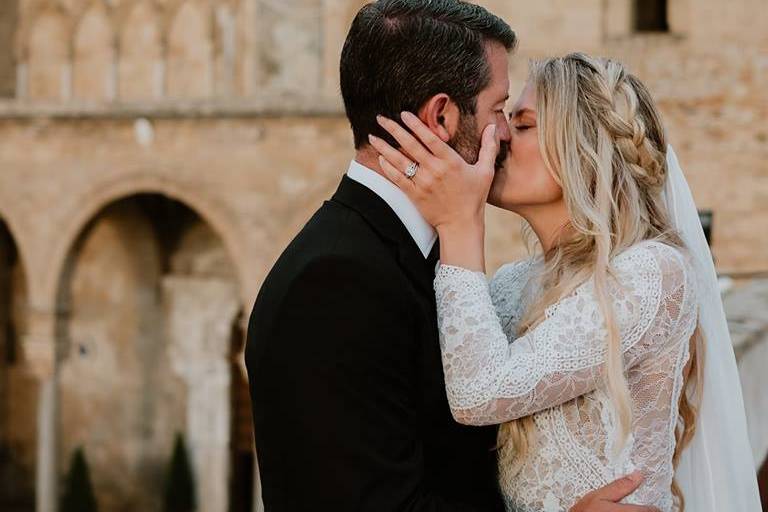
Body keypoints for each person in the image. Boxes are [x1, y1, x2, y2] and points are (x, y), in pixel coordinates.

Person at [245, 2, 655, 511]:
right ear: (441, 116)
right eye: (498, 110)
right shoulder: (331, 282)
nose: (503, 133)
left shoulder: (422, 258)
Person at [370, 52, 762, 511]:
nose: (498, 135)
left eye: (524, 124)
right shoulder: (510, 285)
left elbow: (479, 393)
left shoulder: (652, 273)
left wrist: (459, 223)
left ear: (584, 147)